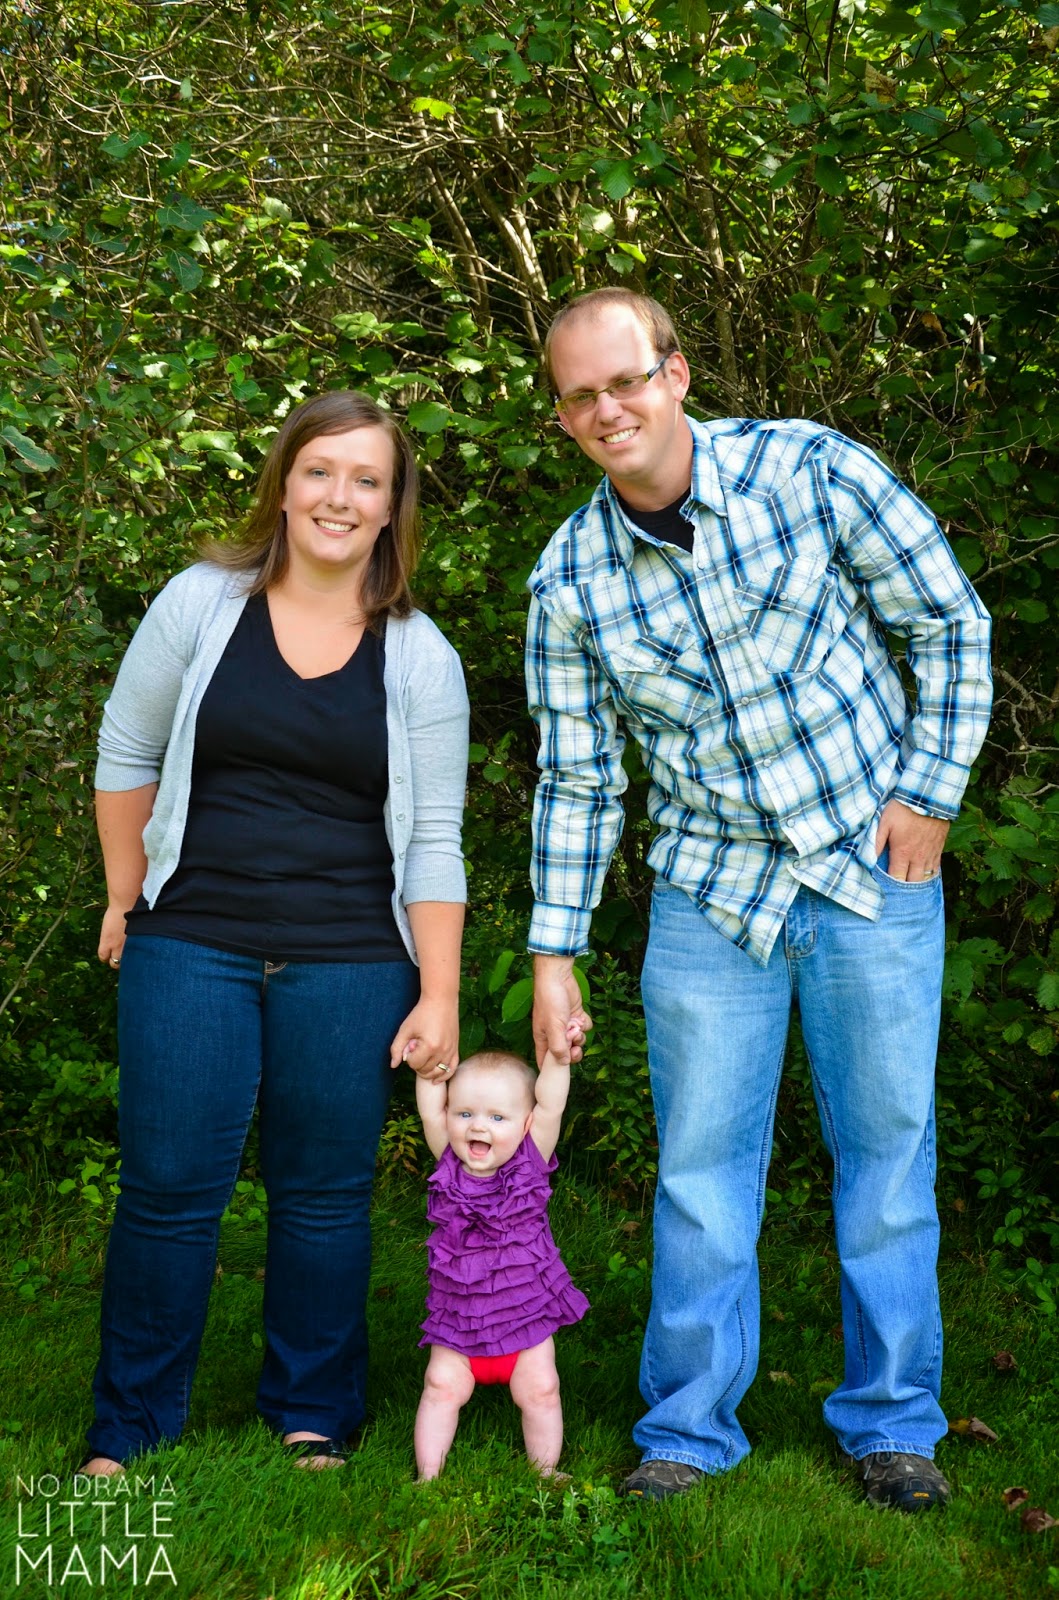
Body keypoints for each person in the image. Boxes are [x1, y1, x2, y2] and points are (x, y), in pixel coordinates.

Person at [525, 288, 992, 1509]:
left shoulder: (809, 471)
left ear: (676, 373)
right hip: (710, 893)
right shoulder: (570, 579)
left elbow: (948, 622)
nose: (608, 409)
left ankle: (893, 1422)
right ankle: (686, 1430)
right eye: (580, 395)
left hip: (870, 868)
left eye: (627, 379)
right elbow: (580, 777)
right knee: (699, 1172)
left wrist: (930, 795)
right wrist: (553, 953)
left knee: (887, 1157)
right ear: (564, 416)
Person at [84, 390, 469, 1475]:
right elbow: (126, 748)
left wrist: (438, 993)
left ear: (391, 506)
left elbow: (435, 840)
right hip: (190, 939)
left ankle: (313, 1414)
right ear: (285, 484)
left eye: (366, 479)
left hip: (351, 958)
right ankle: (131, 1425)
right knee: (167, 1187)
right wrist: (125, 894)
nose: (340, 497)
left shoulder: (419, 655)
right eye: (320, 471)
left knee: (326, 1195)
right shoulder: (203, 602)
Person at [412, 1048, 589, 1479]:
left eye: (497, 1117)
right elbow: (430, 1108)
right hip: (457, 1330)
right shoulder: (448, 1163)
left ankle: (544, 1471)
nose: (478, 1126)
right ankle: (428, 1476)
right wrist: (427, 1061)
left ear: (526, 1124)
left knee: (542, 1390)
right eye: (465, 1113)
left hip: (526, 1326)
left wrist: (558, 1056)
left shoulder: (530, 1165)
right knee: (439, 1388)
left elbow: (551, 1105)